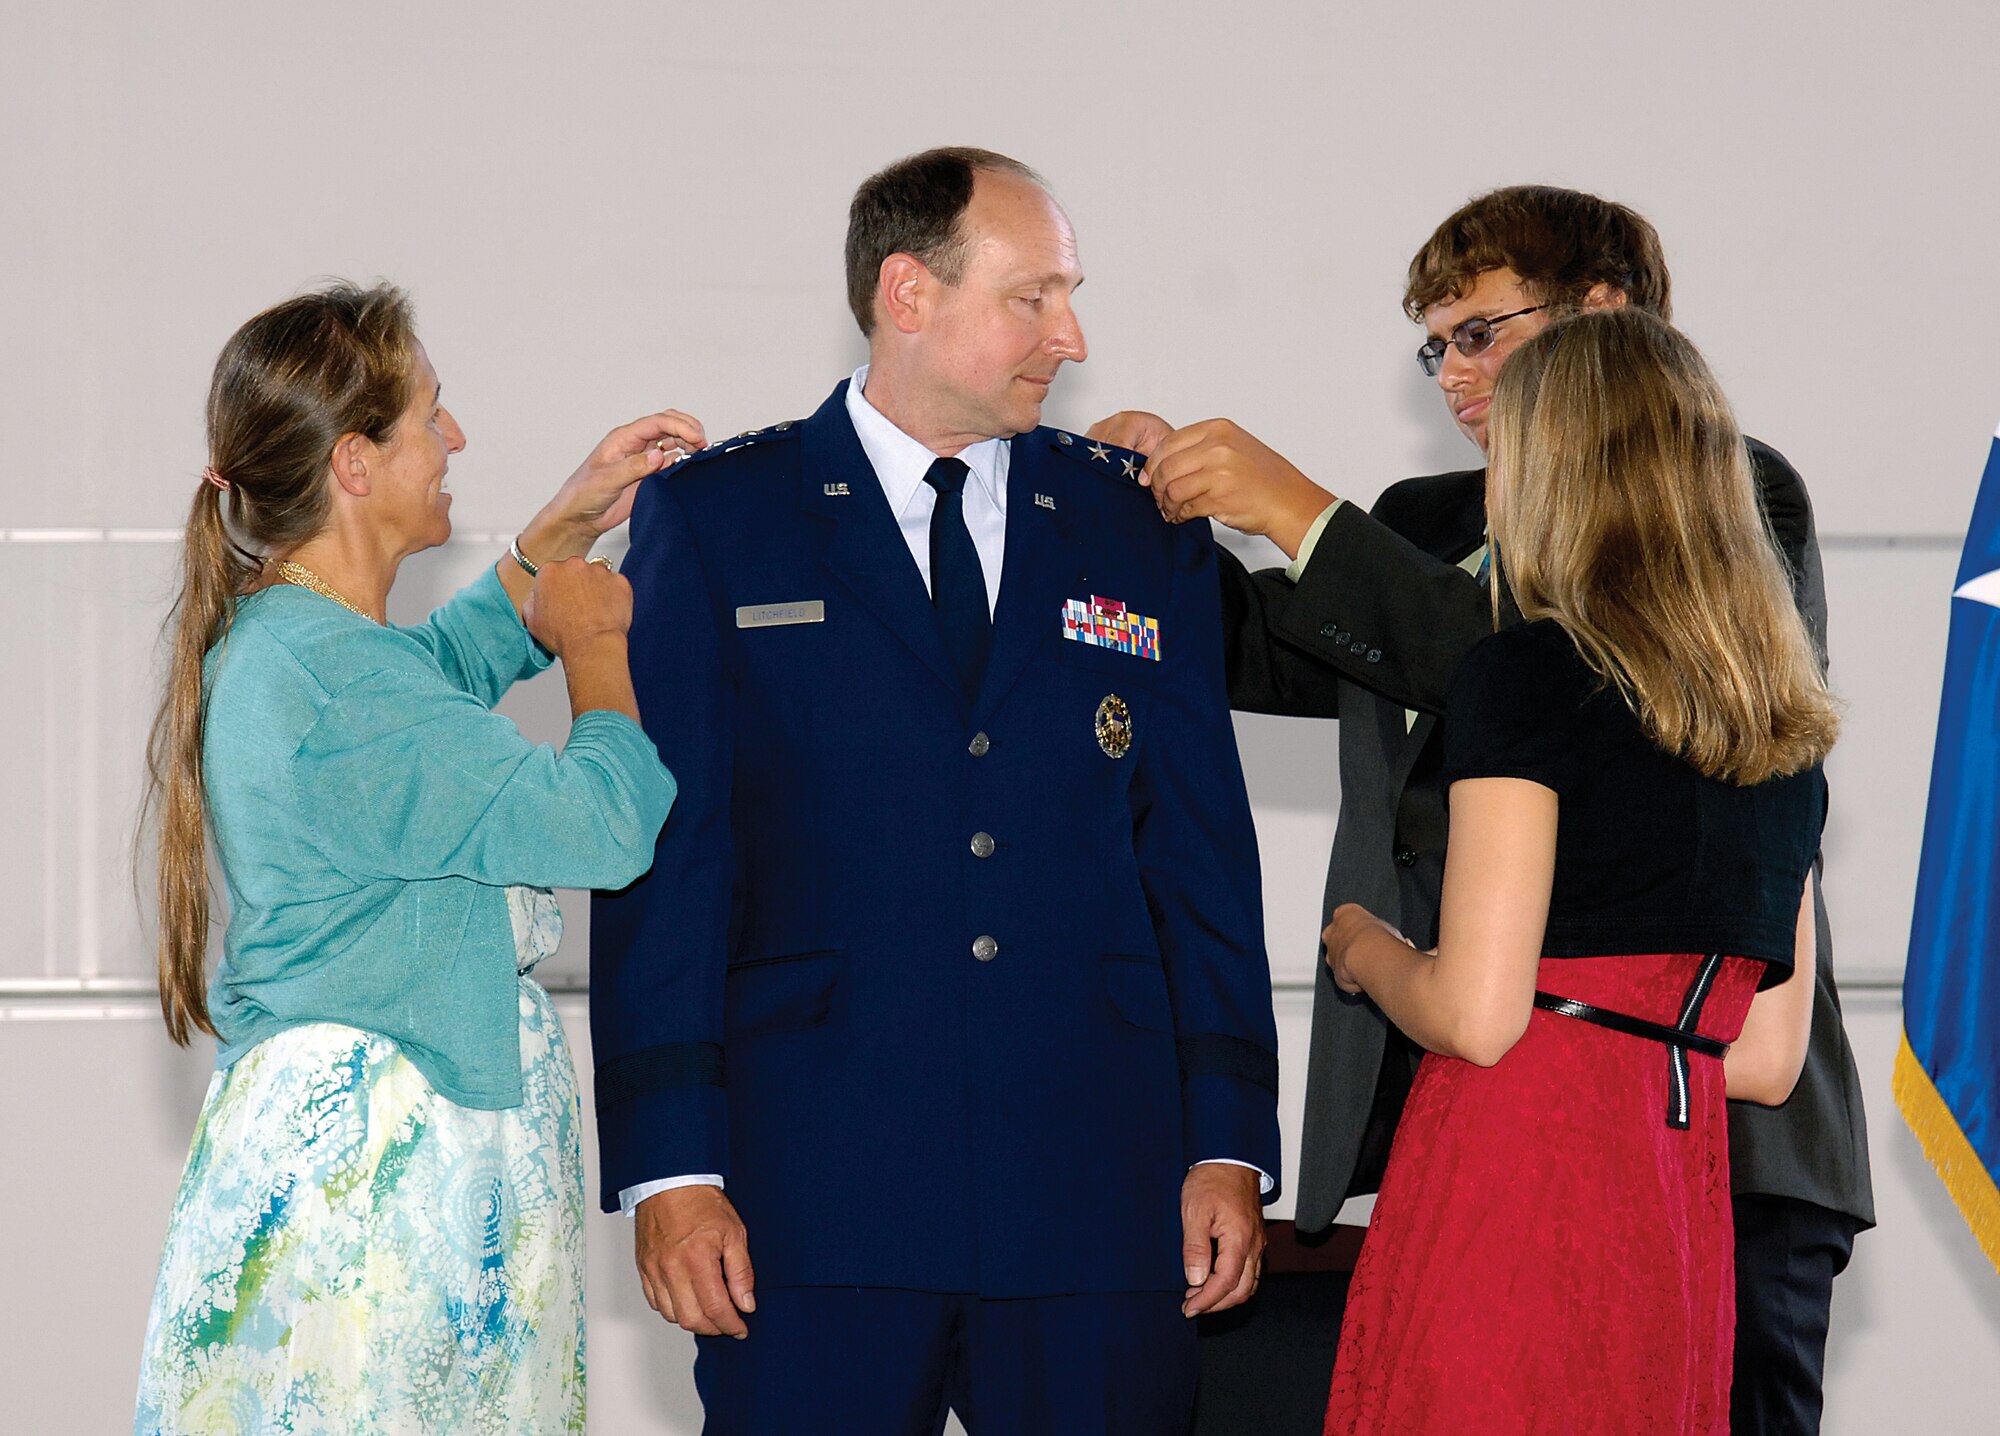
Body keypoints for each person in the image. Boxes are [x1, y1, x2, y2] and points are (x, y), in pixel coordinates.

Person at [1090, 186, 1872, 1434]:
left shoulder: (1730, 488)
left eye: (1482, 330)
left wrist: (1300, 513)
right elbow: (1254, 654)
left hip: (1707, 1124)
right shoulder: (1419, 527)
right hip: (1482, 1107)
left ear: (1603, 317)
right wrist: (1122, 523)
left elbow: (1580, 671)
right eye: (1433, 339)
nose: (1453, 371)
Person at [590, 146, 1282, 1435]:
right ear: (907, 293)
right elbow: (668, 856)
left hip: (1098, 1187)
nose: (1069, 337)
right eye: (1033, 297)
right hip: (810, 1192)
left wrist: (1227, 1139)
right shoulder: (720, 516)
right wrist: (673, 1164)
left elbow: (1198, 856)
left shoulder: (1139, 523)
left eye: (1068, 295)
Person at [133, 281, 689, 1435]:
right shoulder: (341, 682)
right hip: (388, 1184)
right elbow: (604, 824)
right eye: (430, 415)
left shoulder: (303, 646)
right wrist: (596, 641)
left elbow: (435, 674)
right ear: (353, 462)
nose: (455, 438)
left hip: (362, 1158)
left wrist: (564, 525)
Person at [1320, 306, 1836, 1432]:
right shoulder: (1786, 731)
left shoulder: (1526, 675)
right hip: (1670, 1185)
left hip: (1516, 1161)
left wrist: (1366, 949)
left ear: (1552, 469)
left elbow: (1478, 1013)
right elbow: (1761, 1057)